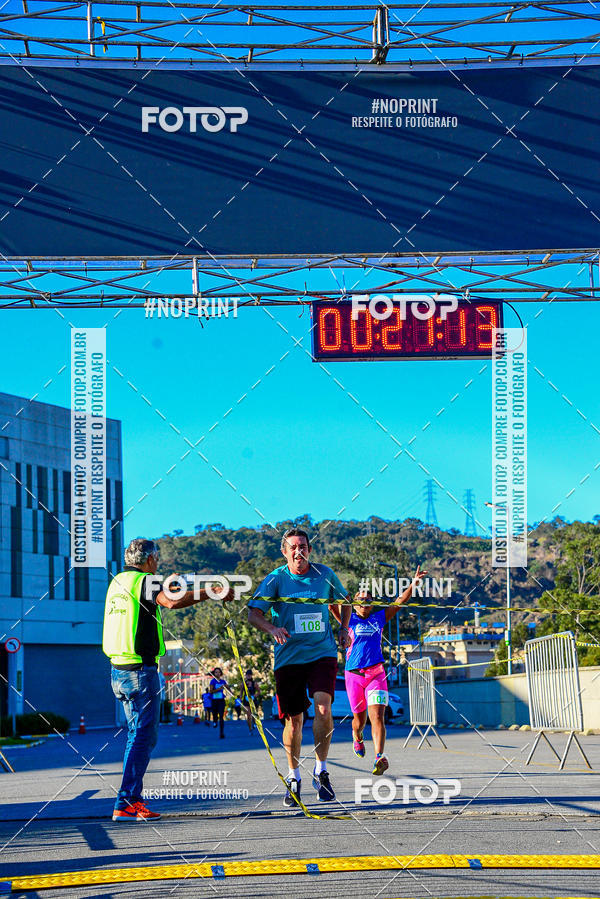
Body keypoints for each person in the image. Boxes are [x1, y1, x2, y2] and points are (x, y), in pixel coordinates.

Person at [103, 538, 231, 822]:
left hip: (118, 670)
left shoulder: (119, 582)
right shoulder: (145, 581)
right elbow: (170, 603)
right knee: (142, 737)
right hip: (139, 672)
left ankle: (128, 799)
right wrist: (211, 591)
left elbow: (156, 597)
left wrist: (170, 584)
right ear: (150, 560)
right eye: (157, 558)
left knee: (137, 735)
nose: (158, 563)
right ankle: (127, 802)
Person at [248, 528, 351, 807]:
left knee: (323, 707)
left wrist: (343, 628)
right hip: (289, 656)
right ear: (284, 551)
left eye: (303, 546)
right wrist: (272, 628)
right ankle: (294, 776)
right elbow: (253, 613)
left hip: (322, 652)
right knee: (294, 720)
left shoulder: (324, 574)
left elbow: (344, 601)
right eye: (293, 547)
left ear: (309, 549)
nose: (299, 551)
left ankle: (321, 770)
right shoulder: (275, 579)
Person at [336, 565, 426, 776]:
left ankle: (379, 756)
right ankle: (357, 737)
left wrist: (414, 584)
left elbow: (399, 602)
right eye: (361, 600)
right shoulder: (348, 619)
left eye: (369, 600)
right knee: (359, 720)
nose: (365, 603)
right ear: (354, 604)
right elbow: (333, 606)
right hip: (354, 675)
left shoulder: (379, 618)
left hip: (376, 674)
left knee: (377, 716)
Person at [209, 667, 228, 738]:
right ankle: (215, 721)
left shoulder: (223, 681)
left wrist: (232, 692)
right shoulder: (213, 681)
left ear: (221, 673)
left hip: (221, 700)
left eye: (219, 672)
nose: (218, 673)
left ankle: (221, 733)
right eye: (216, 672)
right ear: (214, 673)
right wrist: (219, 689)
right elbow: (211, 691)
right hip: (214, 700)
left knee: (221, 716)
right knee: (214, 714)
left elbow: (228, 688)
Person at [242, 669, 260, 734]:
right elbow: (241, 692)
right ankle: (250, 729)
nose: (248, 676)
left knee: (254, 714)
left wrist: (255, 696)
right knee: (248, 715)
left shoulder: (254, 683)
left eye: (249, 675)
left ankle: (254, 722)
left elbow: (259, 691)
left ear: (251, 676)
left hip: (253, 700)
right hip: (246, 700)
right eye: (247, 675)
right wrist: (240, 699)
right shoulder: (243, 683)